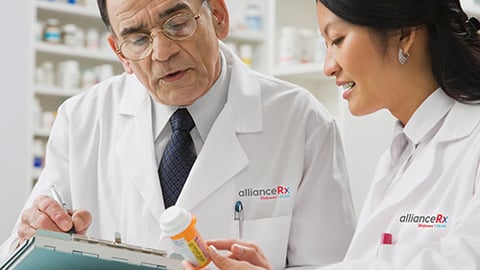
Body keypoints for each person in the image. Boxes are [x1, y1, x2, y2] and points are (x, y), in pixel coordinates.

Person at [0, 0, 356, 268]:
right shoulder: (81, 120)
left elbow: (335, 265)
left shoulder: (301, 121)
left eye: (177, 23)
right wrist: (35, 238)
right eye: (138, 39)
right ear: (119, 53)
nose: (163, 51)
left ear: (218, 15)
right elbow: (17, 253)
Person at [184, 0, 480, 269]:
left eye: (337, 40)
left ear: (403, 34)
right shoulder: (405, 151)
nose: (328, 66)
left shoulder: (471, 139)